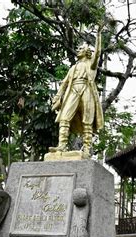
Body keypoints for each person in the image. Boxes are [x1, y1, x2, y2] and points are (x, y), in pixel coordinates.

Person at [49, 24, 104, 157]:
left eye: (81, 48)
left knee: (87, 121)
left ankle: (86, 149)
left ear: (86, 52)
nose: (78, 50)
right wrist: (57, 97)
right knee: (64, 117)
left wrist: (98, 35)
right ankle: (61, 146)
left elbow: (97, 53)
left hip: (87, 91)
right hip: (73, 91)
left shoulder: (91, 65)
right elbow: (65, 83)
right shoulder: (73, 67)